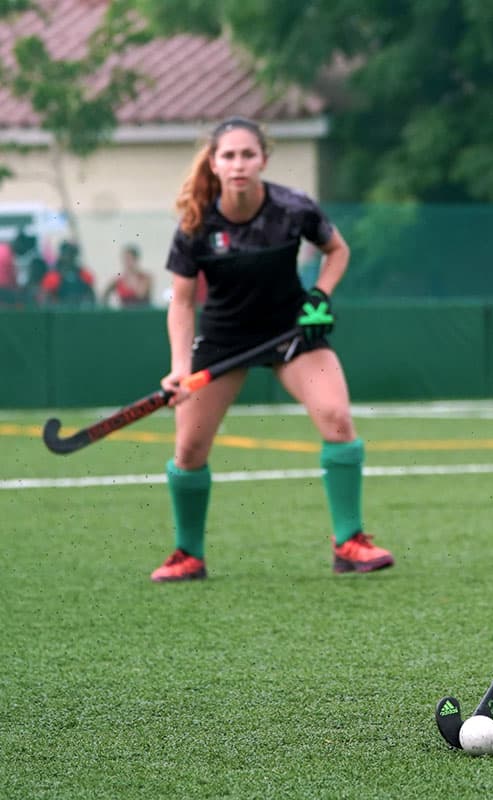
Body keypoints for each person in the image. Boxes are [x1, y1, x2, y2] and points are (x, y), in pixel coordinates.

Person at [150, 116, 394, 582]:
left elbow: (336, 251)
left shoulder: (292, 208)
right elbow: (181, 302)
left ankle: (349, 542)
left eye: (247, 154)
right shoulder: (197, 224)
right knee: (189, 451)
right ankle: (188, 554)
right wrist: (180, 367)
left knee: (338, 420)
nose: (238, 163)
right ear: (215, 163)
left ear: (263, 158)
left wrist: (319, 296)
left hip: (291, 332)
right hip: (223, 339)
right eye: (228, 155)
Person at [102, 243, 153, 307]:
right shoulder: (118, 281)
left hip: (142, 313)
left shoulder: (145, 278)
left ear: (135, 260)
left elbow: (140, 294)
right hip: (125, 313)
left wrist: (131, 278)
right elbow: (105, 295)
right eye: (125, 259)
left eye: (129, 259)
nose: (126, 262)